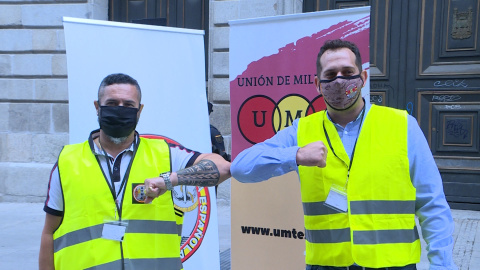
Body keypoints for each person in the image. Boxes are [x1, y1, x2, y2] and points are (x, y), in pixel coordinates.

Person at [230, 39, 457, 270]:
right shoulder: (302, 131)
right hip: (327, 265)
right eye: (331, 74)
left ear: (363, 78)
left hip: (393, 264)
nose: (339, 80)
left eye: (348, 72)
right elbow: (241, 167)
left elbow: (432, 203)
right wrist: (295, 155)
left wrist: (443, 265)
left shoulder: (403, 126)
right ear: (318, 84)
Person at [39, 73, 231, 270]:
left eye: (128, 105)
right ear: (97, 107)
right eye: (112, 103)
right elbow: (49, 232)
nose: (120, 110)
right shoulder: (67, 161)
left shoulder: (164, 153)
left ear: (139, 111)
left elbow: (222, 167)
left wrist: (171, 180)